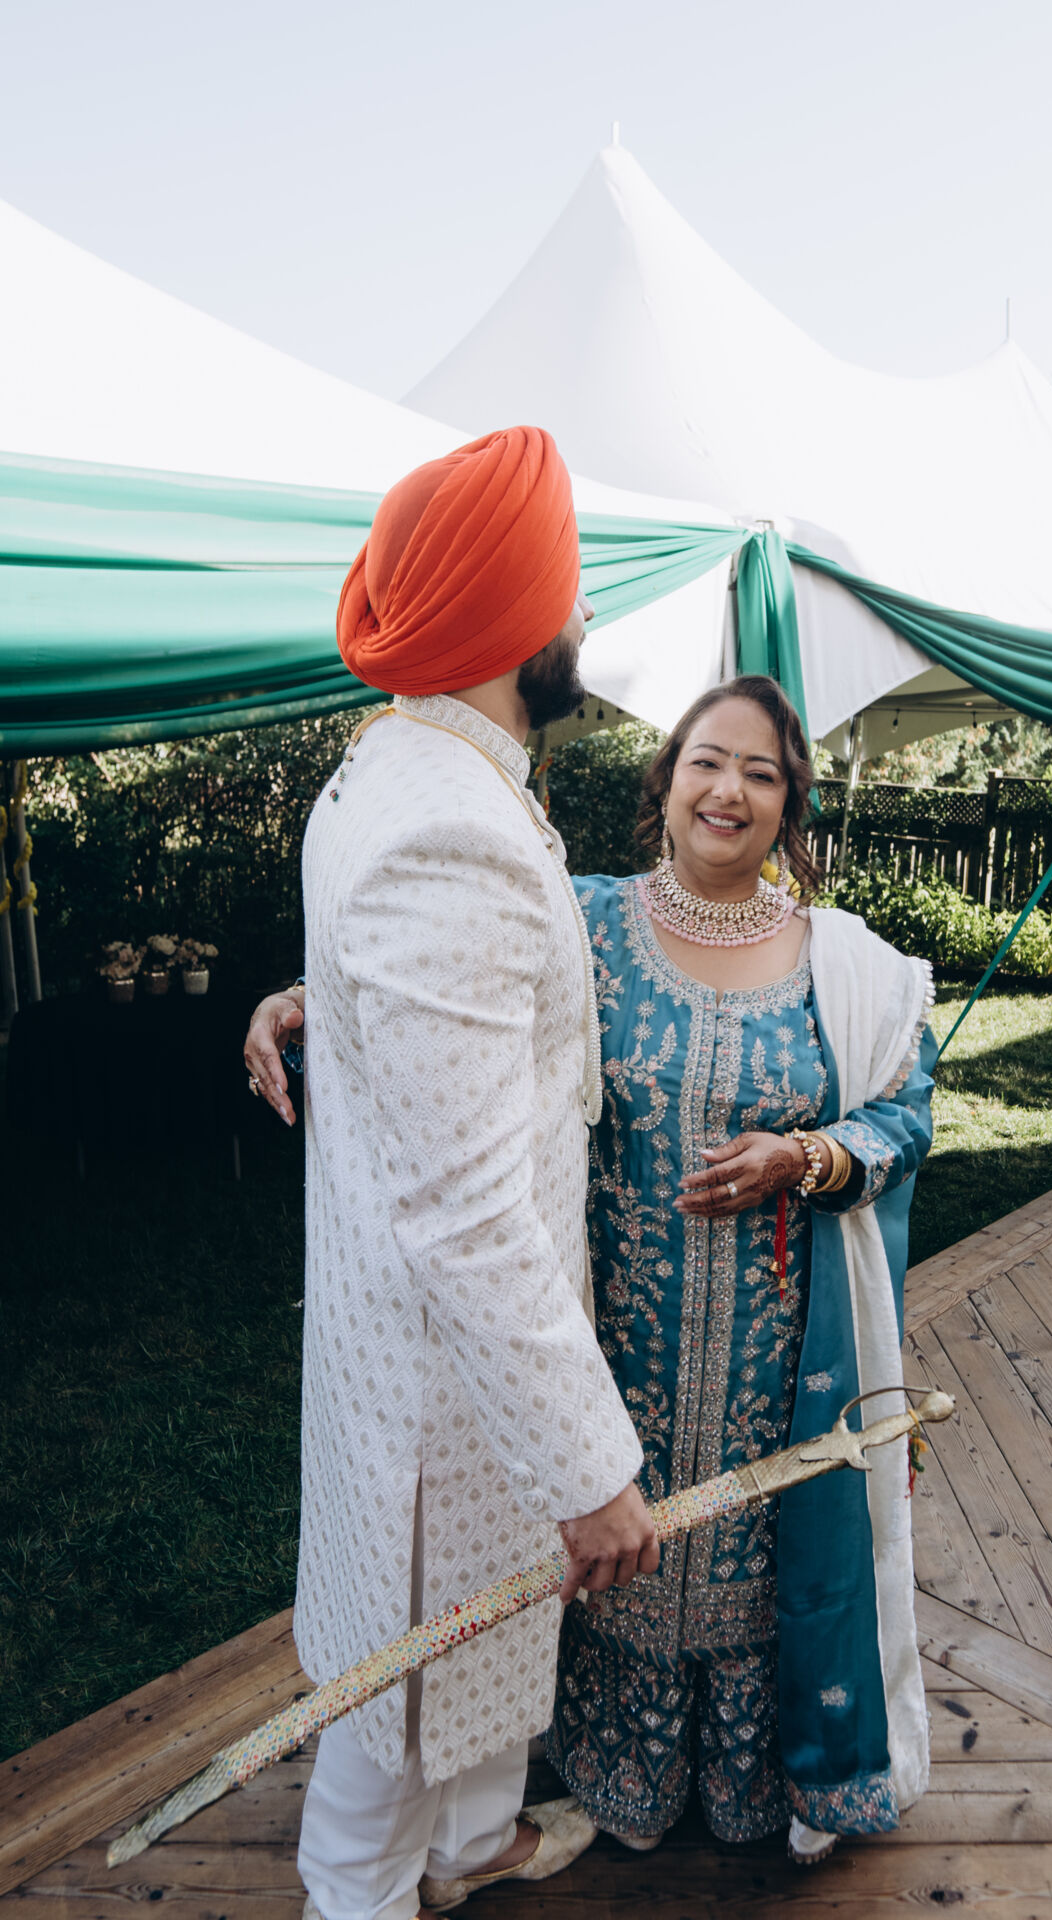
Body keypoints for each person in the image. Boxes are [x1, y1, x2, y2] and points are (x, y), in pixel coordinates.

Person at [250, 675, 935, 1872]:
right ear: (664, 781)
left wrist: (806, 1157)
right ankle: (590, 1775)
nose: (729, 791)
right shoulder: (586, 922)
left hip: (773, 1361)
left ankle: (746, 1782)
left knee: (750, 1565)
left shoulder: (848, 967)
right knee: (611, 1563)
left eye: (761, 774)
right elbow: (438, 983)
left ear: (791, 806)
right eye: (706, 762)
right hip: (605, 1343)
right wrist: (307, 1000)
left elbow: (905, 1114)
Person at [259, 426, 656, 1920]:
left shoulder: (401, 770)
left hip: (421, 1362)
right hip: (447, 1390)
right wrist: (590, 1467)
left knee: (453, 1662)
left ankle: (465, 1852)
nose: (586, 614)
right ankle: (361, 1894)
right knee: (397, 1703)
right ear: (510, 616)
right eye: (569, 587)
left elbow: (423, 1017)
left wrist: (312, 1005)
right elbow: (470, 1213)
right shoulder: (450, 827)